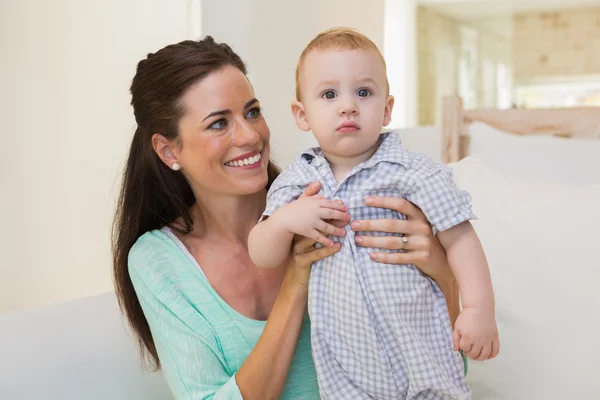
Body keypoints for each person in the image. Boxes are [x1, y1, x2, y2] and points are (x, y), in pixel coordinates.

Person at [112, 36, 462, 400]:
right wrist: (296, 282)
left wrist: (443, 274)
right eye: (219, 124)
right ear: (168, 149)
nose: (250, 135)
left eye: (252, 112)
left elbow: (446, 371)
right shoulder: (159, 262)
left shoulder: (335, 205)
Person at [248, 28, 499, 399]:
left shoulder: (414, 172)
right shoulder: (298, 181)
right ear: (302, 115)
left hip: (421, 352)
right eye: (329, 94)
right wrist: (285, 221)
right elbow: (263, 254)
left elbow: (460, 236)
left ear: (386, 109)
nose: (348, 105)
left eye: (363, 92)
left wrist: (478, 308)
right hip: (347, 370)